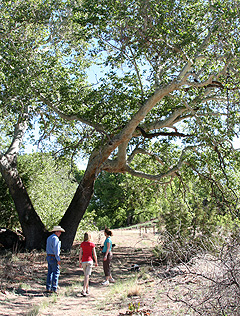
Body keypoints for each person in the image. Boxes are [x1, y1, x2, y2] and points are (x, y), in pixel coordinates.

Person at [46, 225, 65, 294]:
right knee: (56, 272)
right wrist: (58, 259)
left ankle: (48, 287)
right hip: (53, 257)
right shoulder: (55, 239)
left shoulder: (49, 238)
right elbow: (56, 251)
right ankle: (54, 288)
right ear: (56, 232)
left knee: (50, 272)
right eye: (59, 232)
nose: (60, 233)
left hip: (49, 256)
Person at [79, 232, 98, 296]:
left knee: (86, 275)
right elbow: (94, 254)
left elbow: (80, 253)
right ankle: (84, 289)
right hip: (90, 261)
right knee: (87, 275)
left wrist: (79, 261)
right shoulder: (92, 244)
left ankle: (87, 289)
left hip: (83, 261)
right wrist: (96, 261)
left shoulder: (82, 244)